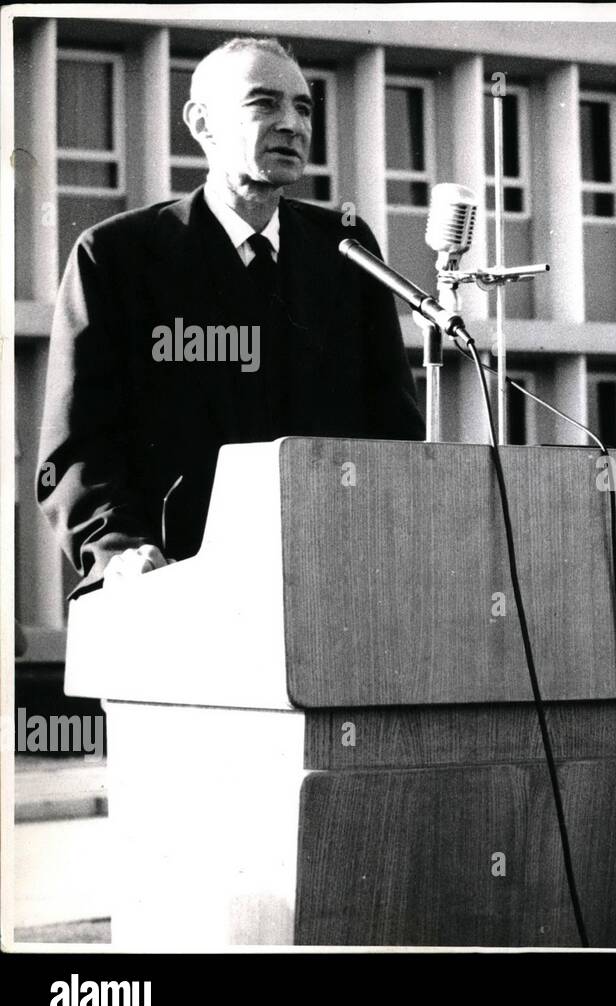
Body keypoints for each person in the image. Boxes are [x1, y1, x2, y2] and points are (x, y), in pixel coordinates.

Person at [37, 37, 422, 597]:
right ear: (201, 122)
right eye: (264, 104)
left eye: (304, 107)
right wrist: (115, 551)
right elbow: (77, 446)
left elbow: (394, 429)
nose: (292, 124)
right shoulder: (117, 256)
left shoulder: (346, 248)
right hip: (177, 592)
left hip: (332, 589)